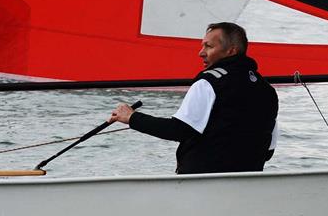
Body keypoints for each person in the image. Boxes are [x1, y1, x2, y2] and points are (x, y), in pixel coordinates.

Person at [109, 22, 278, 174]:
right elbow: (268, 152)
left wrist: (132, 117)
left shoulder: (209, 82)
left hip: (201, 185)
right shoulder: (268, 91)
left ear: (231, 51)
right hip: (248, 186)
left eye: (208, 46)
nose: (201, 53)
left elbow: (178, 130)